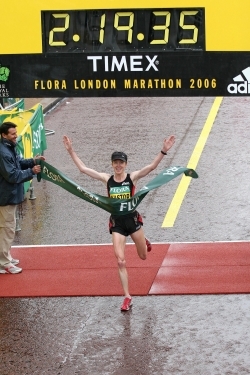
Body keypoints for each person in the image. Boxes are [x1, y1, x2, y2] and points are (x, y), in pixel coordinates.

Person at [63, 134, 175, 311]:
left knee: (143, 256)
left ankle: (144, 242)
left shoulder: (133, 177)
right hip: (117, 224)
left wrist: (163, 150)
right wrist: (71, 151)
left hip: (132, 220)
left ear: (126, 164)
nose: (118, 165)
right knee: (121, 261)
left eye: (121, 162)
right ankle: (127, 297)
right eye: (115, 162)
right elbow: (84, 169)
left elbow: (152, 167)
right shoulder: (107, 179)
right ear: (112, 164)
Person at [0, 121, 45, 274]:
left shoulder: (8, 148)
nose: (16, 136)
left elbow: (18, 163)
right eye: (13, 134)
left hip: (8, 195)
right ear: (4, 135)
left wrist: (32, 160)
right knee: (6, 229)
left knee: (7, 229)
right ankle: (4, 263)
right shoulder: (3, 152)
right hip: (5, 197)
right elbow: (12, 175)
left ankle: (5, 257)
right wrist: (32, 171)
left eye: (16, 133)